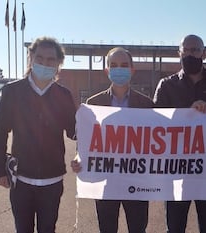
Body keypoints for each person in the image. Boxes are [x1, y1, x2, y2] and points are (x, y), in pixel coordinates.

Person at [153, 34, 206, 233]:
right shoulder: (166, 86)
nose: (190, 54)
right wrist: (188, 112)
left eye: (195, 50)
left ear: (204, 53)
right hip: (176, 171)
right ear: (179, 53)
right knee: (174, 227)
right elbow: (154, 125)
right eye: (186, 50)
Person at [0, 37, 77, 233]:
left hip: (52, 180)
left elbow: (74, 132)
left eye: (50, 60)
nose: (45, 64)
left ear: (59, 63)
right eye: (40, 58)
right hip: (21, 180)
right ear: (30, 58)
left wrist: (96, 125)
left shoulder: (63, 95)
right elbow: (0, 131)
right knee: (22, 229)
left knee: (48, 229)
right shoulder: (13, 91)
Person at [71, 47, 152, 233]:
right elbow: (86, 141)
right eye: (114, 65)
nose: (119, 69)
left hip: (137, 181)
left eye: (124, 65)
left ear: (132, 70)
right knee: (107, 229)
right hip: (105, 180)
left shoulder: (147, 104)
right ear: (107, 71)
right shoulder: (93, 104)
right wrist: (79, 157)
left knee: (138, 229)